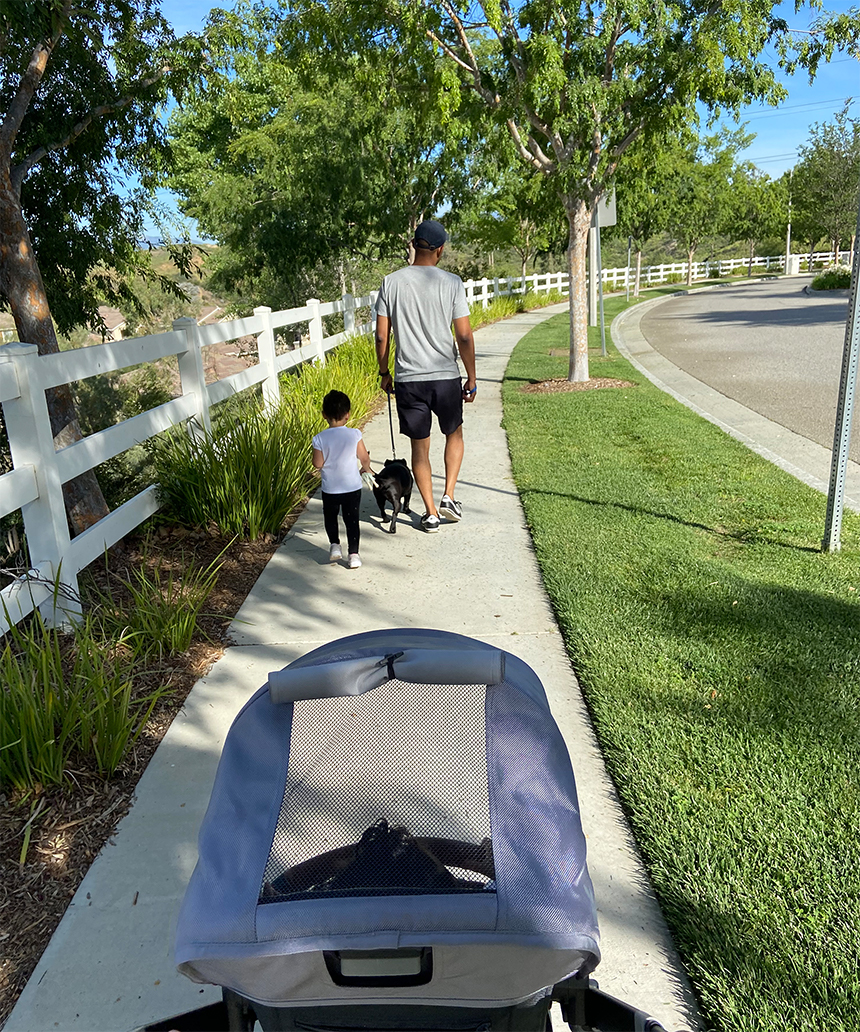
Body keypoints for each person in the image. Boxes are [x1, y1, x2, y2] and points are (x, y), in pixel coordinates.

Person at [375, 218, 477, 533]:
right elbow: (463, 336)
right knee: (454, 434)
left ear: (413, 244)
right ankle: (448, 495)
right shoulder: (451, 282)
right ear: (440, 249)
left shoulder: (391, 282)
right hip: (445, 376)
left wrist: (384, 372)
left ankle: (430, 513)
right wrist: (471, 378)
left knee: (420, 448)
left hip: (408, 378)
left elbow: (381, 336)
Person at [312, 390, 372, 569]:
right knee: (352, 520)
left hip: (330, 488)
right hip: (351, 487)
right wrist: (366, 469)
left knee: (330, 518)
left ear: (324, 415)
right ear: (347, 415)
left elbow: (317, 464)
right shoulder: (354, 434)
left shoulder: (319, 438)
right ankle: (354, 555)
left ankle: (335, 546)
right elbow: (364, 457)